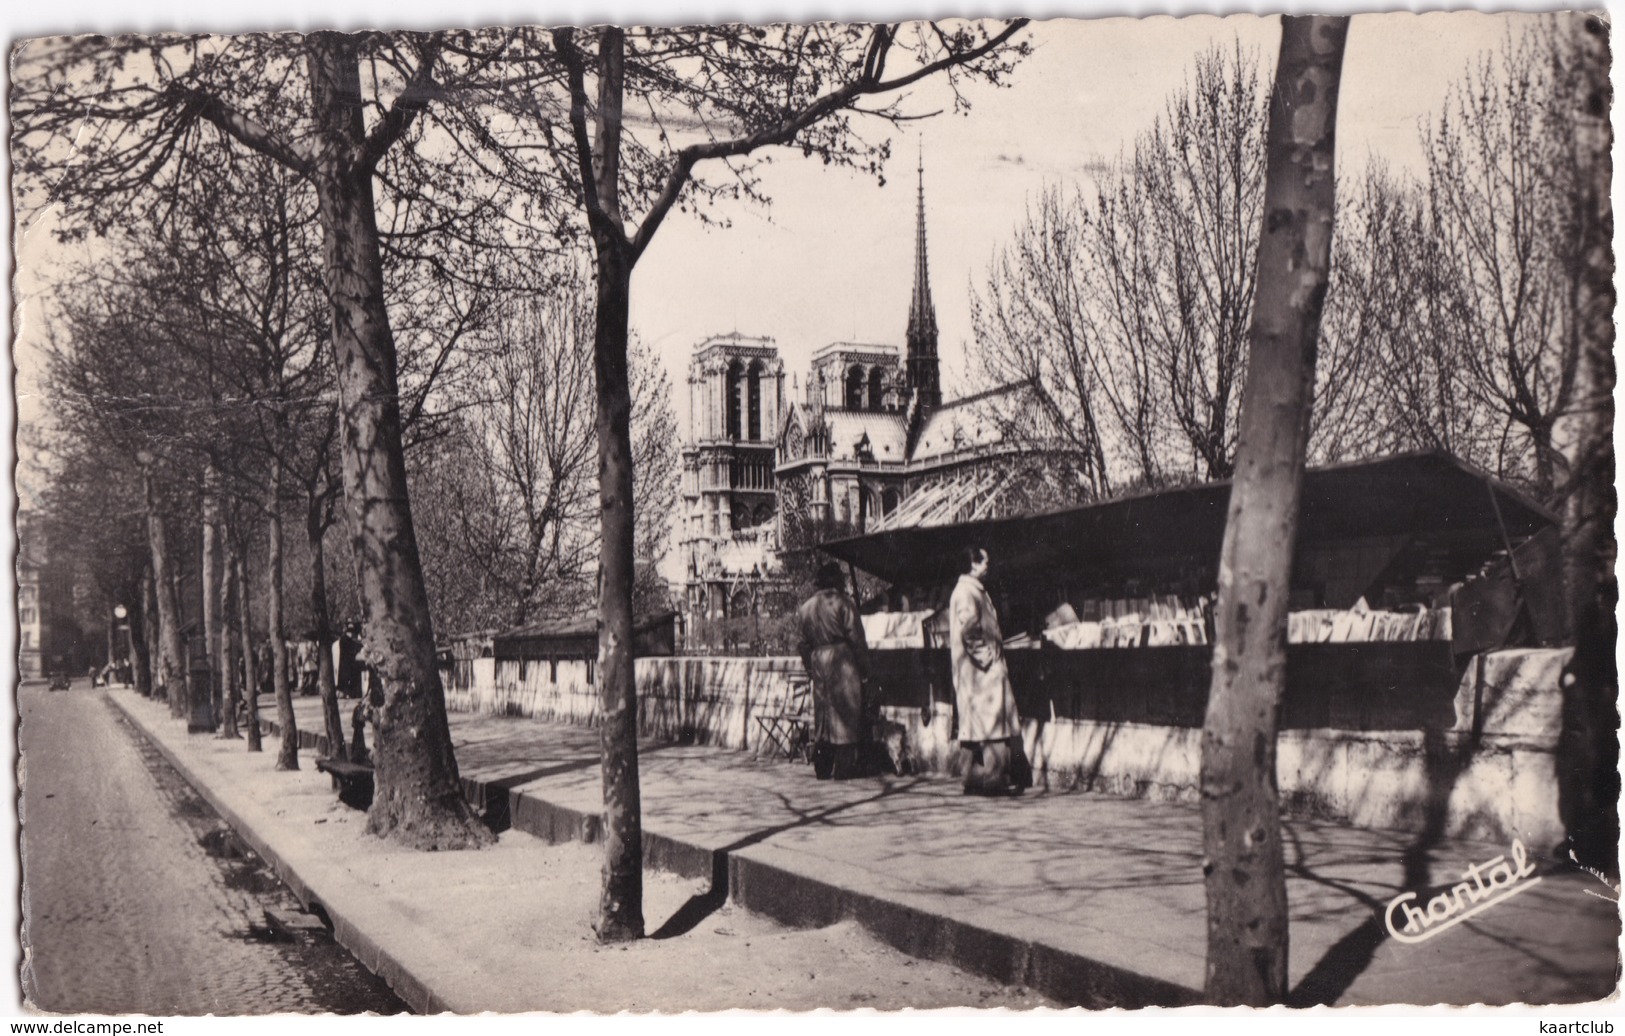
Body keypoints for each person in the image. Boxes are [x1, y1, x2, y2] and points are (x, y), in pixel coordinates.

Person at [949, 546, 1033, 796]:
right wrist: (989, 659)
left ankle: (972, 777)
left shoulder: (970, 590)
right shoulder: (968, 593)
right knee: (992, 724)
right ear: (973, 565)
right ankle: (994, 778)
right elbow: (970, 632)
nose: (989, 565)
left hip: (974, 673)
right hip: (980, 673)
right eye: (985, 561)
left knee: (975, 726)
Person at [796, 561, 877, 780]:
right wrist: (867, 672)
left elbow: (802, 644)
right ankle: (843, 769)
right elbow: (857, 640)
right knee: (846, 711)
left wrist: (811, 666)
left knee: (823, 716)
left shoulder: (806, 608)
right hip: (842, 660)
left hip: (818, 659)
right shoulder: (843, 603)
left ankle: (822, 767)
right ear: (836, 581)